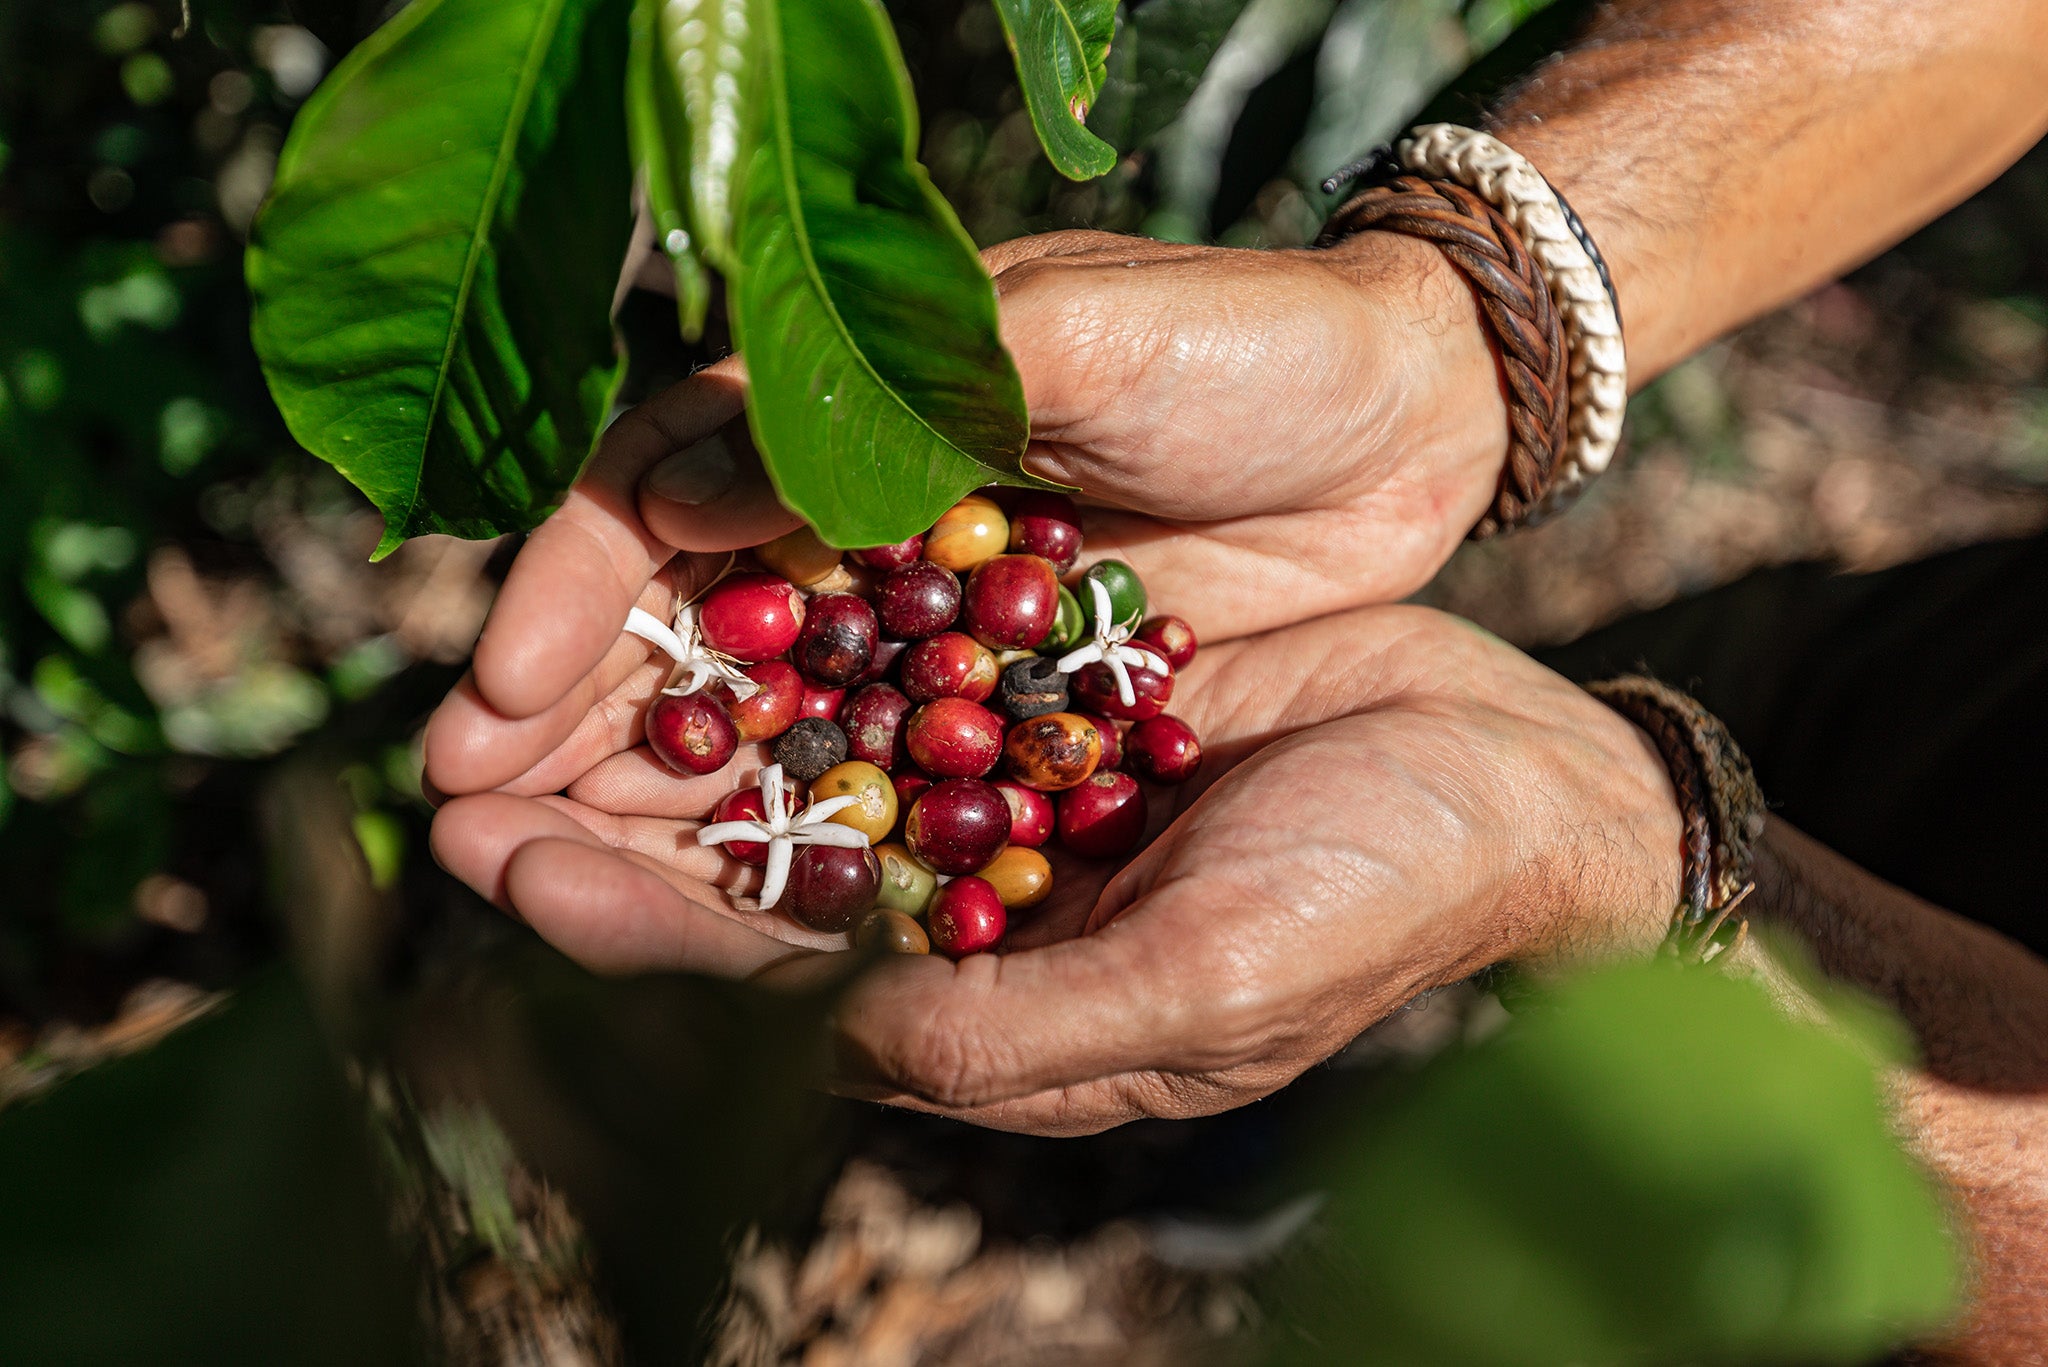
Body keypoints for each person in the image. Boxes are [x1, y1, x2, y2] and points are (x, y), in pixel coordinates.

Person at [423, 0, 2048, 1356]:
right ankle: (1293, 1111)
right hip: (1972, 667)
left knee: (1529, 1034)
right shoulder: (988, 668)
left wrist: (1610, 855)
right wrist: (1450, 337)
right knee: (1715, 697)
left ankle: (1349, 1121)